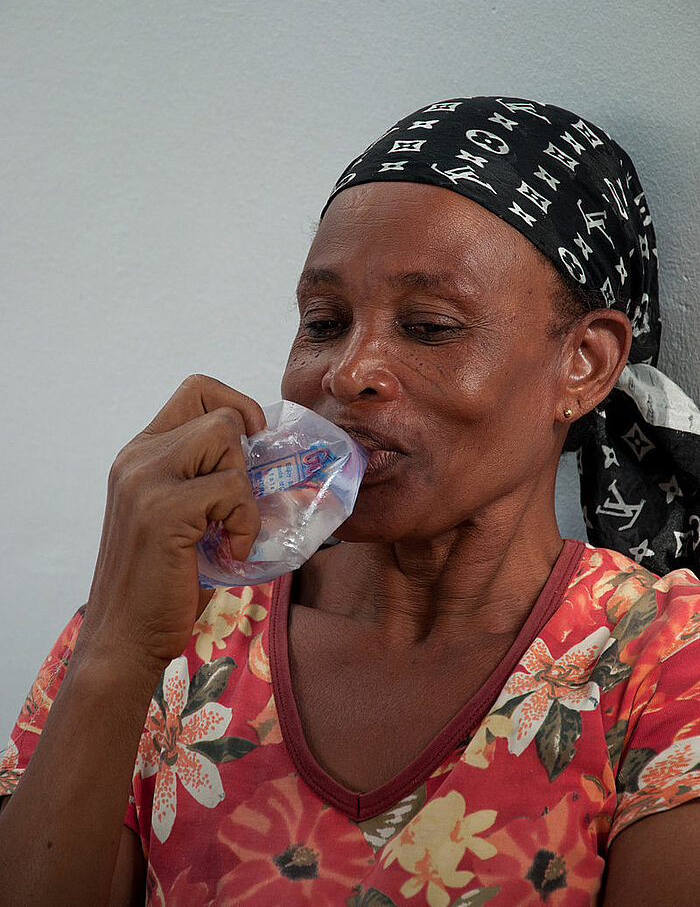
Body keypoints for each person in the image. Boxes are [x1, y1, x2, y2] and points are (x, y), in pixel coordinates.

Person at [1, 96, 700, 907]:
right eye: (325, 321)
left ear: (583, 363)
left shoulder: (662, 664)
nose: (347, 371)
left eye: (430, 326)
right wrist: (117, 651)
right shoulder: (169, 633)